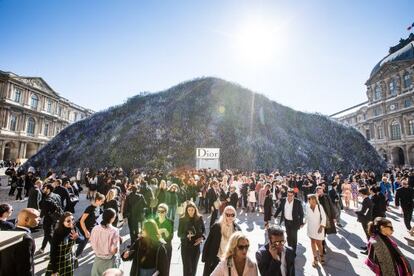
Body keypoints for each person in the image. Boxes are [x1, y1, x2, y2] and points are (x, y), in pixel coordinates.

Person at [0, 208, 41, 276]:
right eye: (37, 217)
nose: (39, 219)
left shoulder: (9, 232)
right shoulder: (26, 240)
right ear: (26, 220)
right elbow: (26, 268)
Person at [202, 205, 241, 276]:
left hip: (229, 260)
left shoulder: (237, 229)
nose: (230, 217)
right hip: (216, 259)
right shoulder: (216, 227)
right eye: (227, 215)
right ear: (224, 215)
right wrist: (205, 258)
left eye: (232, 215)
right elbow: (208, 242)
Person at [45, 212, 83, 276]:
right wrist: (54, 270)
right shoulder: (57, 233)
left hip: (69, 260)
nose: (71, 222)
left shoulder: (74, 229)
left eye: (73, 219)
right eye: (68, 221)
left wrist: (77, 237)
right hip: (57, 261)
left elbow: (82, 240)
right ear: (63, 222)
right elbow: (53, 252)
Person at [90, 208, 121, 276]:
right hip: (110, 261)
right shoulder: (114, 231)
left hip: (97, 261)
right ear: (112, 218)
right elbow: (114, 250)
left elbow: (92, 243)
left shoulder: (95, 229)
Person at [178, 201, 205, 276]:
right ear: (186, 210)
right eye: (189, 210)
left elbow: (204, 230)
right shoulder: (182, 219)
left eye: (192, 210)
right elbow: (179, 234)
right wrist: (186, 236)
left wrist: (202, 238)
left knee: (193, 268)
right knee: (187, 268)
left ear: (195, 210)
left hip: (196, 247)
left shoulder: (199, 218)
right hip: (186, 247)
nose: (190, 212)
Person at [274, 188, 304, 253]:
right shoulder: (283, 200)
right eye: (288, 195)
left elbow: (301, 213)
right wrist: (275, 215)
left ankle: (293, 251)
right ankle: (289, 249)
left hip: (294, 222)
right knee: (288, 236)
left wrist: (301, 222)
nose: (289, 197)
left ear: (293, 195)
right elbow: (280, 208)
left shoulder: (297, 202)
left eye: (291, 195)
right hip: (287, 221)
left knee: (294, 237)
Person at [76, 192, 105, 257]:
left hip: (91, 228)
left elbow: (101, 216)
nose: (103, 202)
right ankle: (74, 258)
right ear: (97, 200)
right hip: (83, 228)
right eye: (102, 201)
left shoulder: (98, 207)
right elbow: (81, 221)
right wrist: (86, 231)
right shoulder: (90, 208)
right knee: (82, 244)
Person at [37, 183, 63, 256]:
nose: (43, 189)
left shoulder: (47, 199)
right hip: (56, 217)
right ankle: (42, 248)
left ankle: (55, 250)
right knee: (47, 233)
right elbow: (61, 205)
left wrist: (39, 218)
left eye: (44, 188)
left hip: (48, 218)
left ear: (48, 189)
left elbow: (43, 210)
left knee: (48, 234)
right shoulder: (57, 195)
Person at [305, 194, 327, 267]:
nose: (312, 201)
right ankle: (315, 259)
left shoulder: (320, 207)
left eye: (313, 199)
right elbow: (306, 217)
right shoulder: (307, 207)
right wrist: (302, 223)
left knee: (319, 244)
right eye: (310, 199)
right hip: (311, 228)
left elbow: (324, 217)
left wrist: (321, 226)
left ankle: (321, 256)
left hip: (319, 228)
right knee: (312, 243)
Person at [155, 203, 174, 269]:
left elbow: (171, 237)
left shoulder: (170, 221)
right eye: (158, 211)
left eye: (162, 211)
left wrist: (165, 231)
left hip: (166, 248)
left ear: (166, 212)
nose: (160, 213)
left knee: (165, 269)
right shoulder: (154, 221)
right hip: (156, 248)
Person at [356, 187, 373, 255]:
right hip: (367, 219)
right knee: (368, 235)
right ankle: (367, 246)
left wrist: (356, 212)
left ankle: (369, 250)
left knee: (368, 235)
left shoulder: (366, 200)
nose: (359, 194)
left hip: (366, 220)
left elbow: (363, 212)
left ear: (362, 193)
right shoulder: (367, 199)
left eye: (359, 193)